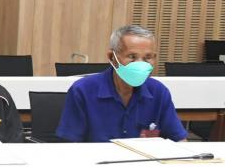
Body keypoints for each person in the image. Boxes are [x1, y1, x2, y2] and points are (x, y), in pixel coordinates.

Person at [56, 25, 186, 142]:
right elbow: (70, 146)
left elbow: (179, 139)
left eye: (148, 57)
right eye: (132, 57)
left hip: (143, 161)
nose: (140, 64)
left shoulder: (159, 92)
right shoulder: (82, 91)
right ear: (112, 57)